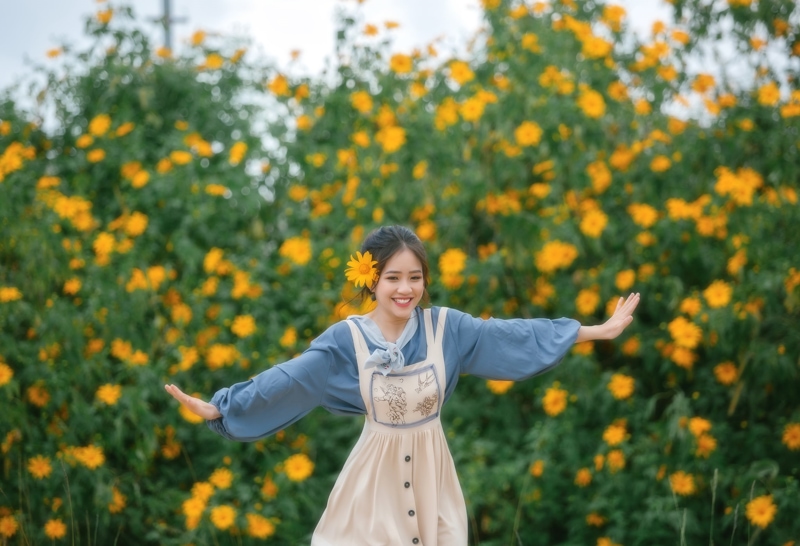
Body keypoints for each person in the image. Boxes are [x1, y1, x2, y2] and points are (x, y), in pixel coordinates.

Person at [165, 225, 640, 545]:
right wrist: (222, 408)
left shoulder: (446, 329)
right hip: (374, 485)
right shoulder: (346, 339)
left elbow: (511, 335)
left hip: (433, 478)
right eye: (393, 277)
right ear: (372, 280)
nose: (405, 289)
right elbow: (291, 378)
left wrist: (590, 330)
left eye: (415, 277)